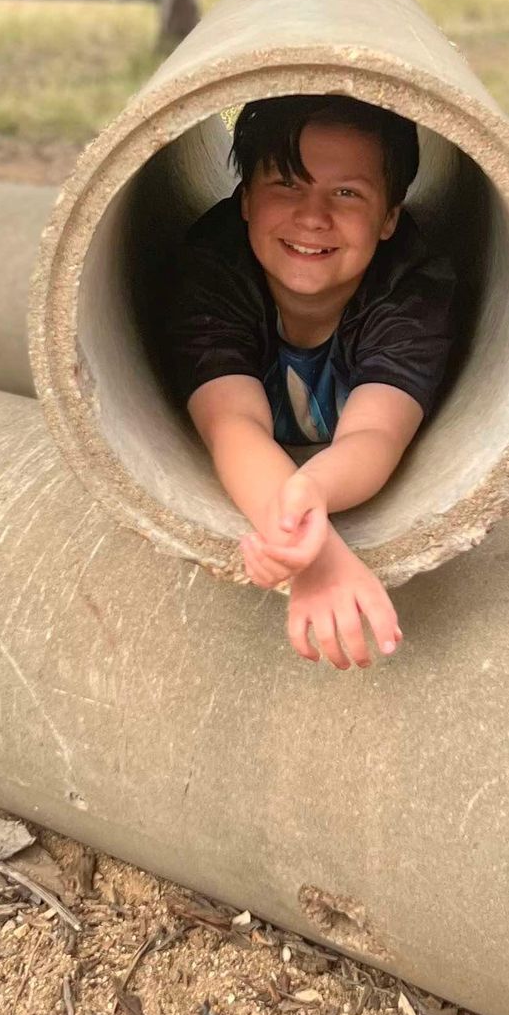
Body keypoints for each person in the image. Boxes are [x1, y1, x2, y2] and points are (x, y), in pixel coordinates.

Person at [164, 93, 457, 669]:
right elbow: (233, 425)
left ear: (391, 216)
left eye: (347, 193)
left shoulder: (413, 286)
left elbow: (375, 434)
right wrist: (314, 554)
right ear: (244, 198)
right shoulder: (210, 270)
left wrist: (311, 496)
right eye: (287, 184)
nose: (313, 216)